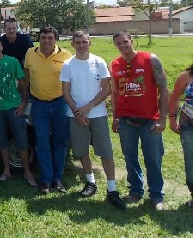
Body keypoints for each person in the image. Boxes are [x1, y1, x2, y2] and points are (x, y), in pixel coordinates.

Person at [60, 31, 126, 210]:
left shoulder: (99, 62)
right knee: (82, 151)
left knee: (106, 152)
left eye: (84, 42)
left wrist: (88, 108)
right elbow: (66, 92)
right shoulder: (68, 65)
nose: (81, 45)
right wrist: (78, 112)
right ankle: (90, 182)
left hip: (98, 114)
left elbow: (106, 90)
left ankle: (112, 190)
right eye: (78, 42)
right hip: (76, 115)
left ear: (90, 43)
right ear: (72, 44)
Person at [111, 30, 168, 211]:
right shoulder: (115, 64)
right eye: (118, 43)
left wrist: (162, 119)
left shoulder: (150, 59)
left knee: (153, 159)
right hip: (126, 120)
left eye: (125, 42)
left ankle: (156, 195)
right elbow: (115, 93)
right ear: (115, 45)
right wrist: (115, 117)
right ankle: (135, 191)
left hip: (150, 120)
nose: (122, 46)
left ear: (132, 41)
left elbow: (164, 89)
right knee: (130, 158)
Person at [24, 26, 71, 194]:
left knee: (60, 143)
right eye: (43, 37)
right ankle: (45, 180)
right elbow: (26, 74)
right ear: (39, 38)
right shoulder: (30, 53)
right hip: (39, 105)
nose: (46, 41)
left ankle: (57, 179)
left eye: (50, 37)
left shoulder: (66, 55)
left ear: (55, 39)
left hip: (60, 104)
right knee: (42, 142)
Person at [0, 37, 36, 186]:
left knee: (21, 140)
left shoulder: (13, 62)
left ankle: (27, 171)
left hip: (14, 107)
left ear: (2, 47)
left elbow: (22, 82)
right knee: (1, 141)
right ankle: (6, 170)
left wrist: (24, 102)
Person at [169, 64, 193, 209]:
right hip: (189, 124)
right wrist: (172, 119)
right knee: (191, 163)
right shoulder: (186, 76)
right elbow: (175, 98)